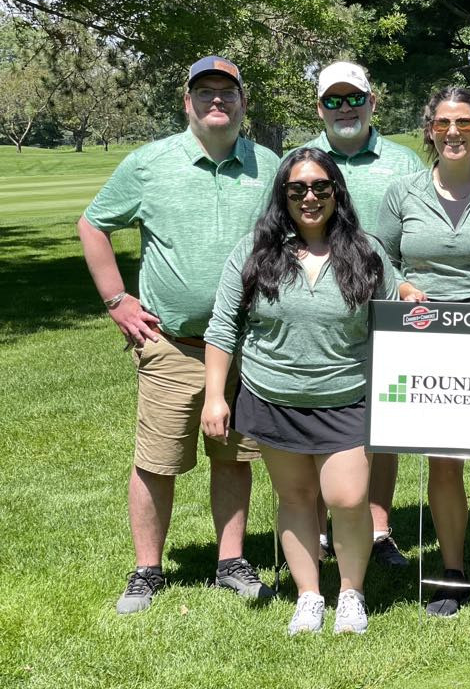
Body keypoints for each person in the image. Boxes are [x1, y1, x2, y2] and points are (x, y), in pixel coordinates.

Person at [78, 56, 278, 614]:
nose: (218, 100)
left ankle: (231, 561)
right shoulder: (149, 164)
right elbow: (93, 225)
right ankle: (147, 570)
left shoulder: (270, 166)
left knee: (235, 457)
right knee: (155, 460)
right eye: (205, 92)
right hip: (173, 345)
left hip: (246, 347)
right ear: (186, 101)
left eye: (228, 92)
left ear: (243, 101)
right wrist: (117, 300)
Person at [202, 147, 396, 635]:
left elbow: (394, 325)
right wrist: (215, 395)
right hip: (274, 397)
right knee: (295, 496)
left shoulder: (367, 252)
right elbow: (224, 326)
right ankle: (309, 595)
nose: (309, 197)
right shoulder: (253, 251)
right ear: (283, 195)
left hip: (347, 395)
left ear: (336, 193)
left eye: (320, 188)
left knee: (348, 497)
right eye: (297, 189)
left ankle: (350, 593)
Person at [377, 86, 470, 617]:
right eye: (444, 123)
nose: (453, 132)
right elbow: (383, 255)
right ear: (430, 130)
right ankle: (452, 570)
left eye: (464, 122)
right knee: (443, 460)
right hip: (426, 330)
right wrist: (399, 285)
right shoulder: (403, 193)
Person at [299, 61, 422, 568]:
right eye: (333, 100)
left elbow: (419, 232)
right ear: (320, 108)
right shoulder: (302, 163)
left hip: (386, 309)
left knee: (383, 423)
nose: (344, 108)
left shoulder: (405, 162)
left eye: (354, 99)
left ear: (374, 102)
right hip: (318, 312)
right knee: (316, 419)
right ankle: (323, 527)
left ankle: (378, 529)